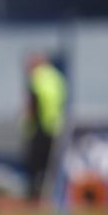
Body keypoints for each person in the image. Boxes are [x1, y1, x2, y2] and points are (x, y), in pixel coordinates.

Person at [23, 53, 67, 205]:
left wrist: (28, 123)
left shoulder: (37, 78)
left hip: (40, 126)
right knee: (52, 164)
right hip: (56, 126)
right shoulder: (57, 77)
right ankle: (54, 195)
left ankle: (35, 197)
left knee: (35, 164)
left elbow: (33, 104)